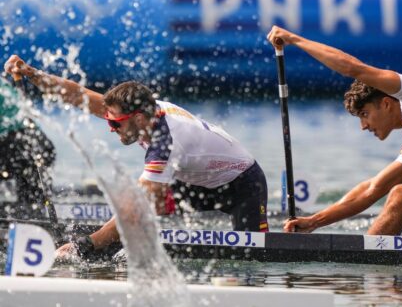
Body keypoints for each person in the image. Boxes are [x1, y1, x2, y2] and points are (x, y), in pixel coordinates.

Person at [5, 55, 269, 258]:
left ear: (138, 118)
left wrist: (86, 245)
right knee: (134, 210)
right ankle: (108, 253)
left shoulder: (164, 143)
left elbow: (136, 210)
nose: (110, 127)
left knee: (251, 260)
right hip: (194, 181)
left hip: (243, 185)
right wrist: (33, 74)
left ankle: (88, 249)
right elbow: (78, 95)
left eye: (116, 123)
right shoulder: (141, 112)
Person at [266, 25, 402, 235]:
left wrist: (294, 39)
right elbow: (372, 190)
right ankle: (375, 263)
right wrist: (315, 221)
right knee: (398, 194)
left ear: (386, 104)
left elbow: (353, 69)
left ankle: (372, 266)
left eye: (364, 114)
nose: (363, 126)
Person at [0, 75, 56, 220]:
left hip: (21, 145)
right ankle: (31, 217)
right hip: (38, 144)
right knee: (31, 210)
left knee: (30, 209)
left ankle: (29, 217)